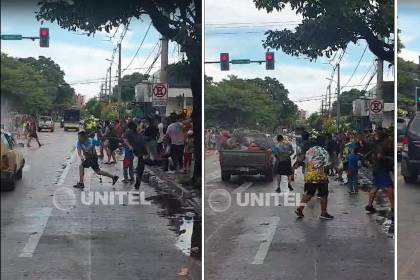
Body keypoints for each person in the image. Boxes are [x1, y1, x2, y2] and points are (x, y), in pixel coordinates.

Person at [295, 143, 334, 220]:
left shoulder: (308, 152)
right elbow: (327, 164)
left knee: (309, 193)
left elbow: (299, 162)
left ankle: (300, 209)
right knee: (324, 194)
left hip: (310, 176)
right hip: (320, 177)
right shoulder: (323, 152)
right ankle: (323, 213)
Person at [365, 130, 394, 214]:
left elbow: (370, 155)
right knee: (389, 187)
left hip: (377, 168)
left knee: (375, 187)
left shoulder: (376, 144)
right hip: (381, 169)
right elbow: (380, 157)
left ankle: (369, 205)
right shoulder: (382, 145)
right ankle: (393, 207)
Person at [124, 121, 148, 189]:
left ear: (130, 128)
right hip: (142, 150)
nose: (127, 129)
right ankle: (137, 184)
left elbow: (125, 140)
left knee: (141, 167)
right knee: (141, 167)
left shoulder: (128, 133)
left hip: (140, 150)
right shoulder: (136, 133)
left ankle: (137, 184)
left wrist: (130, 146)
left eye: (128, 127)